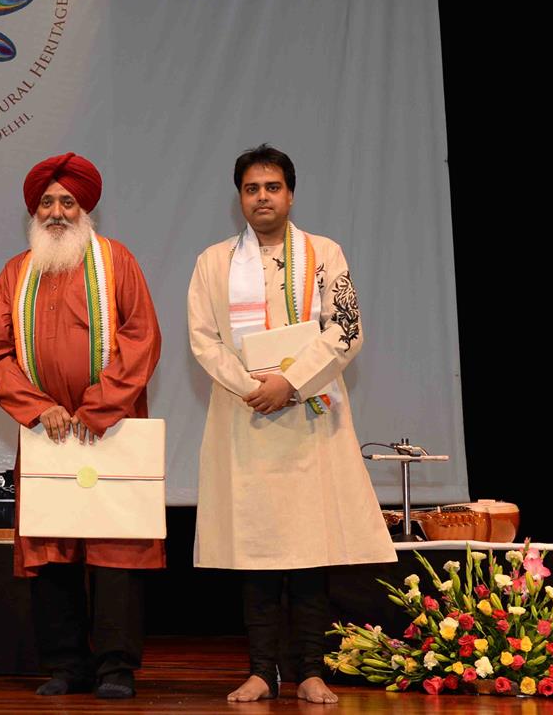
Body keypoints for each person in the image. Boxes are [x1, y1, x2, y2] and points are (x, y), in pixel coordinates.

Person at [188, 144, 395, 704]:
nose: (262, 197)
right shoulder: (214, 263)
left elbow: (345, 331)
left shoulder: (325, 253)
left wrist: (291, 382)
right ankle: (261, 670)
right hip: (245, 415)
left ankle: (309, 670)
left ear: (290, 193)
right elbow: (203, 340)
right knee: (256, 551)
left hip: (310, 416)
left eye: (272, 187)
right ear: (239, 198)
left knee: (309, 550)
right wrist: (253, 387)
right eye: (252, 188)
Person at [0, 152, 164, 699]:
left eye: (67, 201)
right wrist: (40, 410)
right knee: (51, 548)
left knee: (115, 551)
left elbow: (142, 337)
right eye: (47, 203)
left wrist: (98, 406)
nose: (57, 211)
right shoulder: (16, 273)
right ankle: (66, 665)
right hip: (46, 433)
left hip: (109, 426)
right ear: (34, 212)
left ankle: (115, 667)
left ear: (86, 208)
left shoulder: (116, 261)